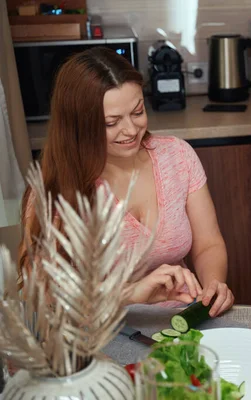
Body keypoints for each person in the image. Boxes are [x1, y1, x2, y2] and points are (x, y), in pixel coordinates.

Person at [18, 47, 234, 316]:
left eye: (137, 111)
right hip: (94, 336)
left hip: (176, 321)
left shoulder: (177, 156)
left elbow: (208, 244)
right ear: (78, 125)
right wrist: (129, 294)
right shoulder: (53, 189)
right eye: (111, 122)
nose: (131, 130)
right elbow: (42, 294)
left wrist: (213, 285)